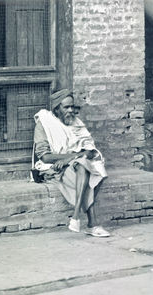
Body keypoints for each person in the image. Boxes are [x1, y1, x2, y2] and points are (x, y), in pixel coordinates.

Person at [33, 89, 110, 237]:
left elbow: (91, 151)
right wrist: (72, 157)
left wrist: (69, 159)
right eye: (66, 107)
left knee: (84, 165)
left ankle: (76, 217)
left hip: (73, 164)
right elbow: (44, 157)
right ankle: (92, 224)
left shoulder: (77, 123)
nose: (71, 111)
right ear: (56, 108)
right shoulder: (44, 124)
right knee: (84, 171)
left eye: (72, 107)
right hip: (55, 167)